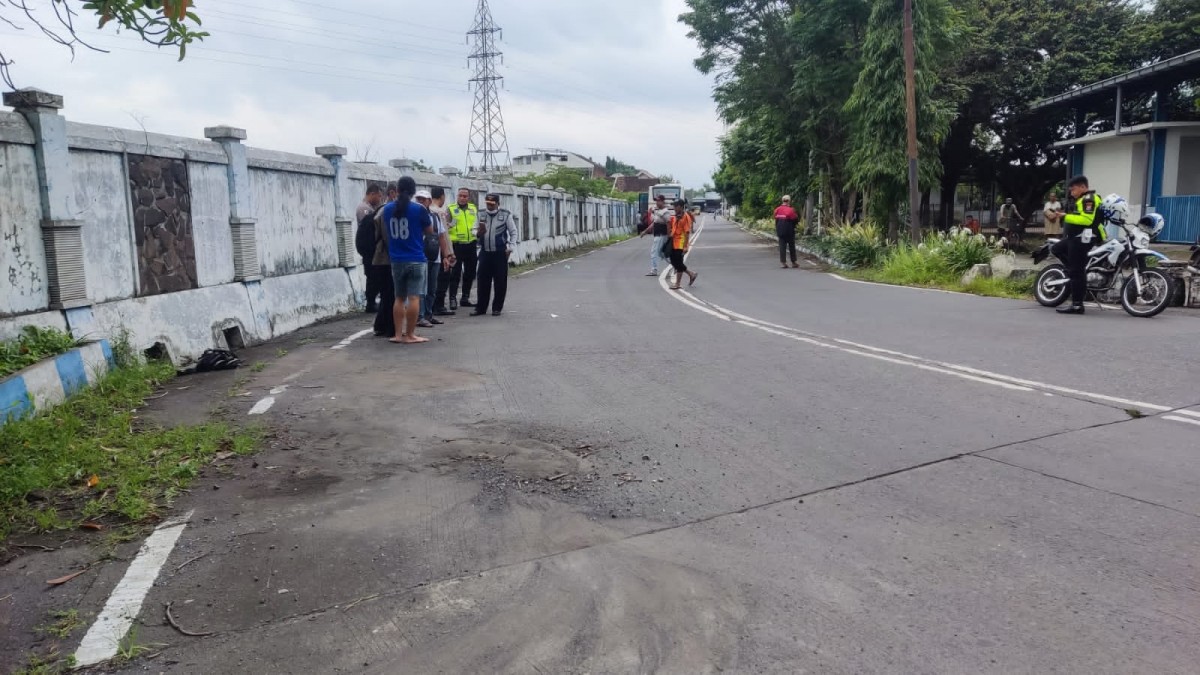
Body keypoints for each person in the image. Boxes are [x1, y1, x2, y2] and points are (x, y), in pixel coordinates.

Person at [380, 176, 454, 343]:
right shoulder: (418, 209)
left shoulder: (388, 209)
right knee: (414, 297)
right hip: (415, 257)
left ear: (397, 190)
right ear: (413, 192)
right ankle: (410, 334)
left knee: (399, 297)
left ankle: (398, 334)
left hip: (396, 259)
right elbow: (430, 231)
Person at [1049, 175, 1105, 315]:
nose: (1071, 192)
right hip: (1075, 238)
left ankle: (1077, 305)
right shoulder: (1081, 199)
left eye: (1073, 189)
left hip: (1083, 239)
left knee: (1077, 271)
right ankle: (1073, 270)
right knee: (1056, 249)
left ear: (1083, 187)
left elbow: (1086, 220)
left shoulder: (1088, 199)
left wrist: (1065, 216)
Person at [472, 193, 519, 316]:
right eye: (488, 203)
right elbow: (473, 229)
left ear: (498, 204)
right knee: (482, 281)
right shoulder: (480, 214)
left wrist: (511, 247)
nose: (490, 206)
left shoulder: (505, 214)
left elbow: (513, 232)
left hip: (500, 252)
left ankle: (497, 308)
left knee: (500, 281)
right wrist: (478, 233)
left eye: (492, 204)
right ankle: (481, 308)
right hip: (485, 252)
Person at [441, 188, 479, 312]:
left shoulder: (473, 209)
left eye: (465, 196)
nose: (462, 198)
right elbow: (445, 226)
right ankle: (452, 298)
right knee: (455, 273)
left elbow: (476, 224)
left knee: (470, 272)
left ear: (468, 197)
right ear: (457, 196)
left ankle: (465, 297)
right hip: (456, 245)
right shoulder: (451, 209)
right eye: (460, 195)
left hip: (471, 244)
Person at [414, 189, 448, 328]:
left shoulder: (435, 217)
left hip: (435, 257)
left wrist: (446, 256)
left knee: (432, 289)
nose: (420, 202)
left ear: (429, 201)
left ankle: (429, 314)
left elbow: (441, 236)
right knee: (421, 289)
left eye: (423, 199)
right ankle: (420, 316)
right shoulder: (413, 216)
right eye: (418, 199)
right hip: (420, 257)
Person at [355, 184, 386, 313]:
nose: (380, 199)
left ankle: (372, 301)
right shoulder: (365, 209)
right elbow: (369, 229)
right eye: (379, 196)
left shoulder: (371, 209)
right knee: (372, 276)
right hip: (369, 248)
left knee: (374, 276)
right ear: (372, 194)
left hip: (371, 248)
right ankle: (371, 302)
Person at [667, 199, 697, 290]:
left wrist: (685, 246)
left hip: (681, 243)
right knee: (674, 261)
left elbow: (687, 233)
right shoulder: (676, 216)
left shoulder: (685, 217)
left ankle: (678, 283)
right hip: (674, 242)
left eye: (675, 206)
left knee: (678, 263)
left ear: (680, 207)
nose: (674, 208)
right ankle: (691, 274)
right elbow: (671, 226)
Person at [639, 194, 671, 276]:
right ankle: (676, 265)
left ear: (663, 202)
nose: (657, 202)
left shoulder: (665, 212)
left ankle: (654, 270)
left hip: (661, 235)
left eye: (659, 201)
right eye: (656, 201)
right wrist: (645, 232)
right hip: (657, 235)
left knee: (654, 252)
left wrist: (669, 236)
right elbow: (654, 224)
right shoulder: (658, 212)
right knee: (662, 254)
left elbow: (668, 224)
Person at [773, 195, 801, 269]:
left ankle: (783, 263)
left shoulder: (777, 209)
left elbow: (776, 219)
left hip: (780, 230)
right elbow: (795, 219)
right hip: (789, 230)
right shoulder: (791, 210)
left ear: (782, 201)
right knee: (791, 246)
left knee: (782, 246)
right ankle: (794, 262)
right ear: (789, 201)